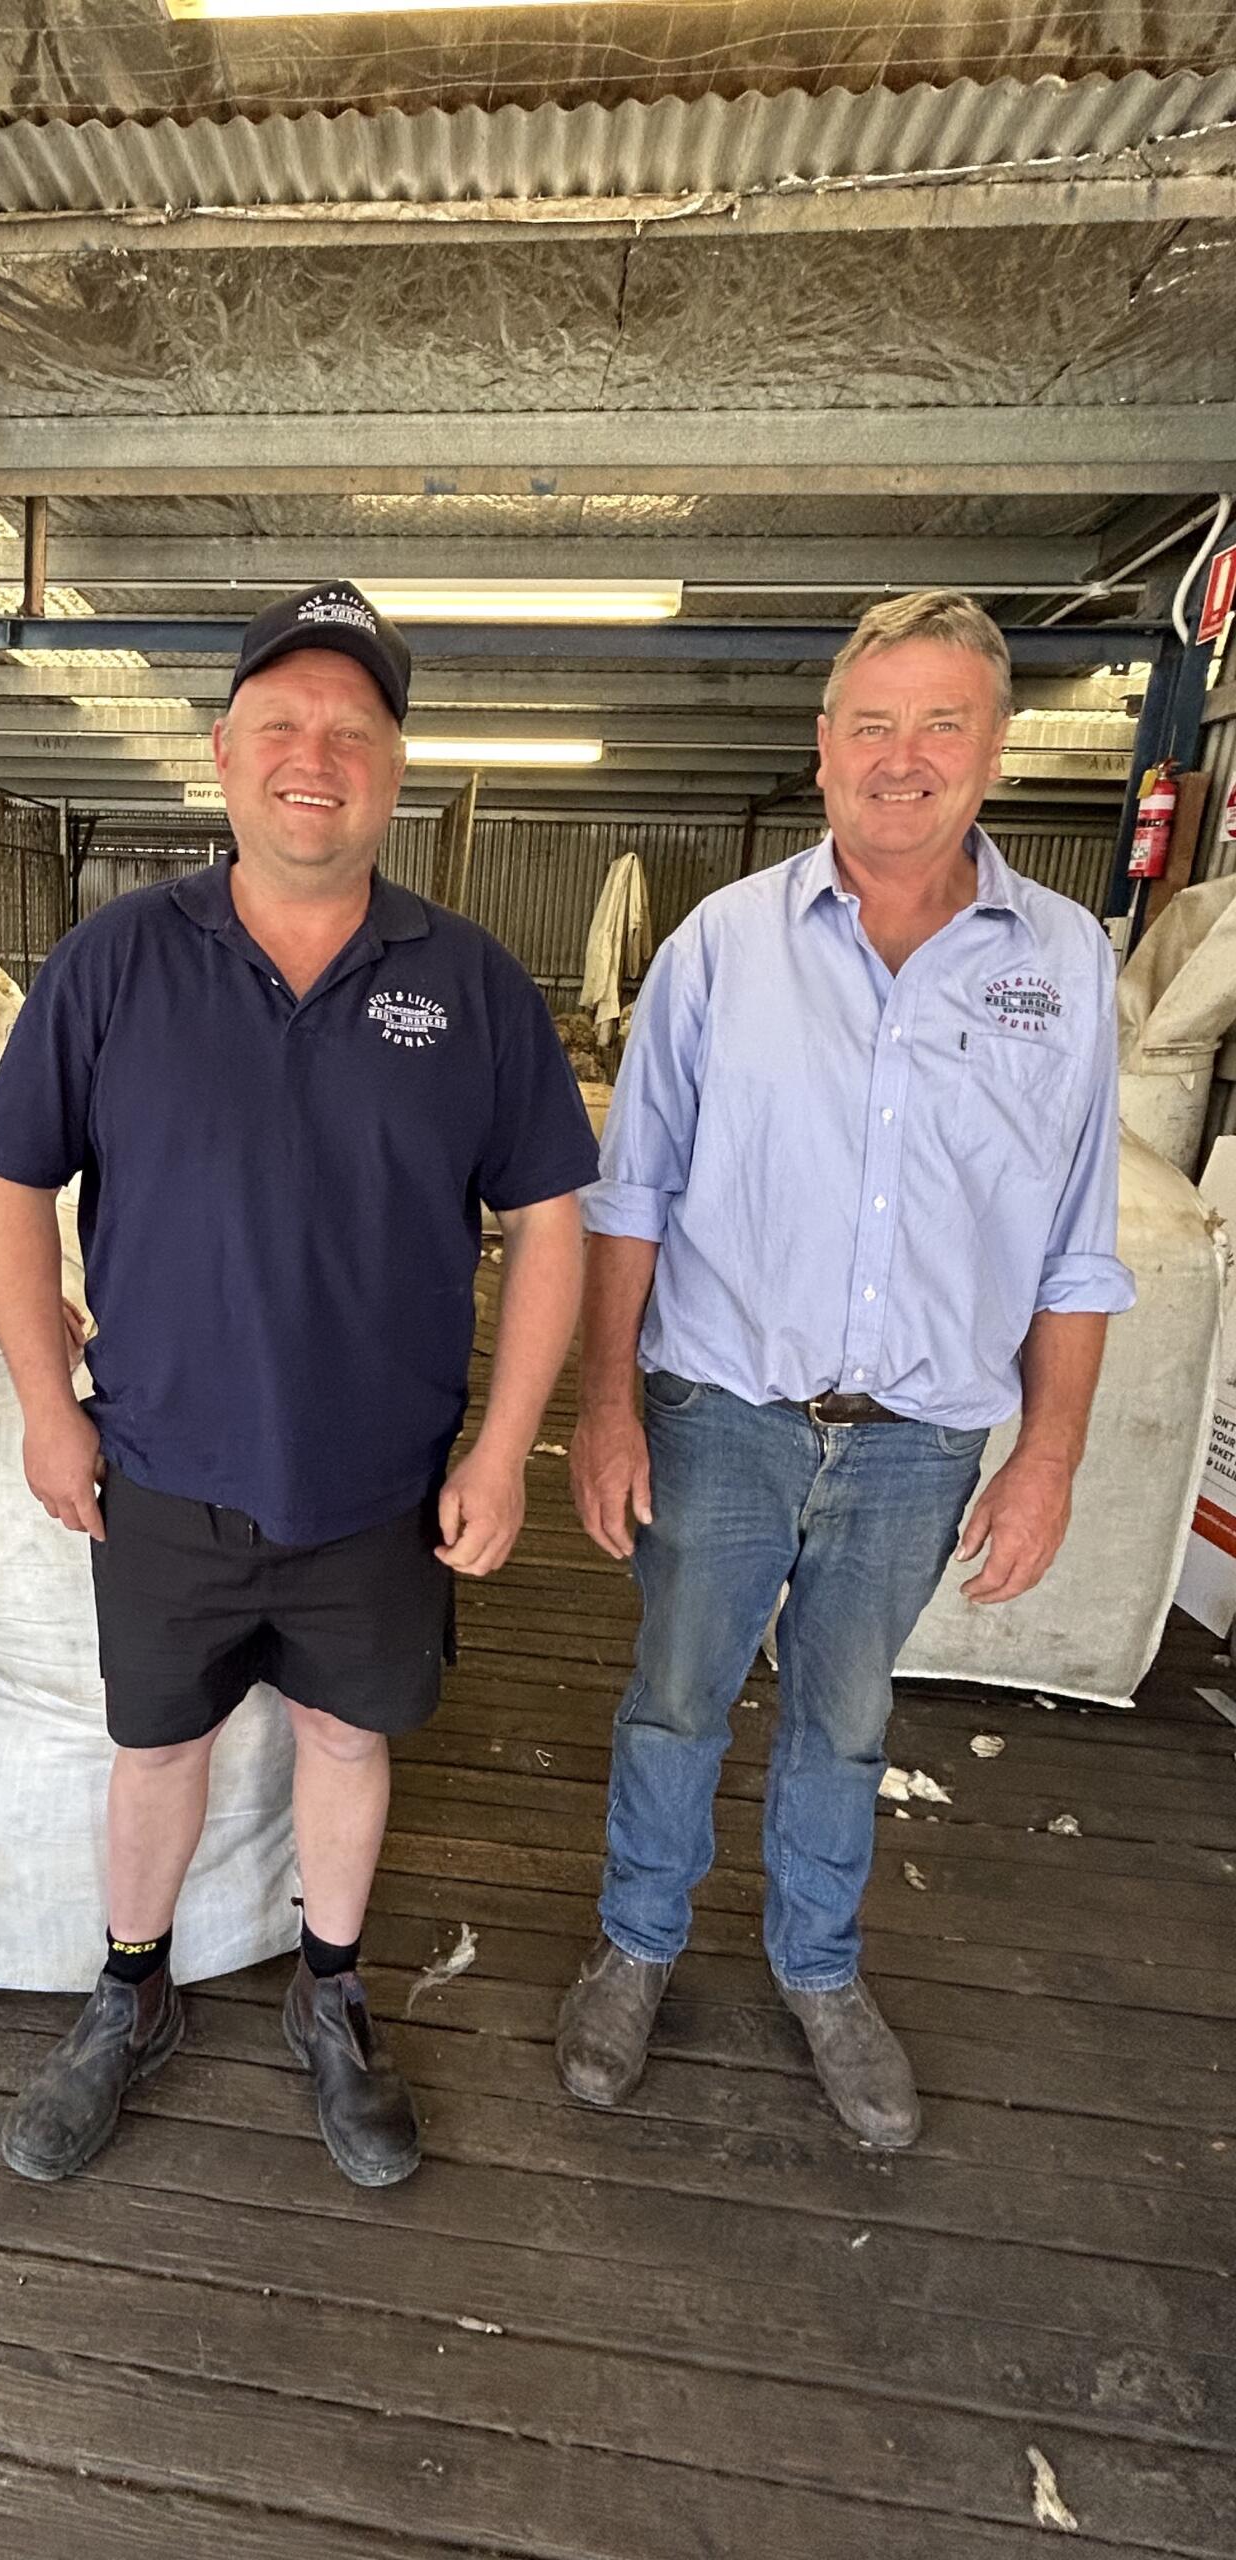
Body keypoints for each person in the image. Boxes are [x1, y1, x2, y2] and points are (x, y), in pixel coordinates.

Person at [0, 583, 599, 2189]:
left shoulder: (468, 982)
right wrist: (50, 1403)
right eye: (280, 728)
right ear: (221, 755)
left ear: (395, 767)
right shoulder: (116, 959)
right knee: (159, 1750)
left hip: (376, 1482)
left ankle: (332, 1996)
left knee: (343, 1735)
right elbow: (13, 1184)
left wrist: (506, 1443)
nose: (313, 758)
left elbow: (549, 1220)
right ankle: (130, 1998)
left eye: (351, 730)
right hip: (162, 1469)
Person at [563, 590, 1133, 2149]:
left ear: (994, 749)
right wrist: (602, 1406)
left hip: (919, 1441)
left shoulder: (1068, 967)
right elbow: (634, 1198)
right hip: (720, 1412)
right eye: (872, 725)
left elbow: (1077, 1238)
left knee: (846, 1716)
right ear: (822, 752)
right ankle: (639, 1945)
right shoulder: (720, 951)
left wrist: (1053, 1453)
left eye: (941, 723)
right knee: (677, 1697)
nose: (904, 757)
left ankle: (817, 1970)